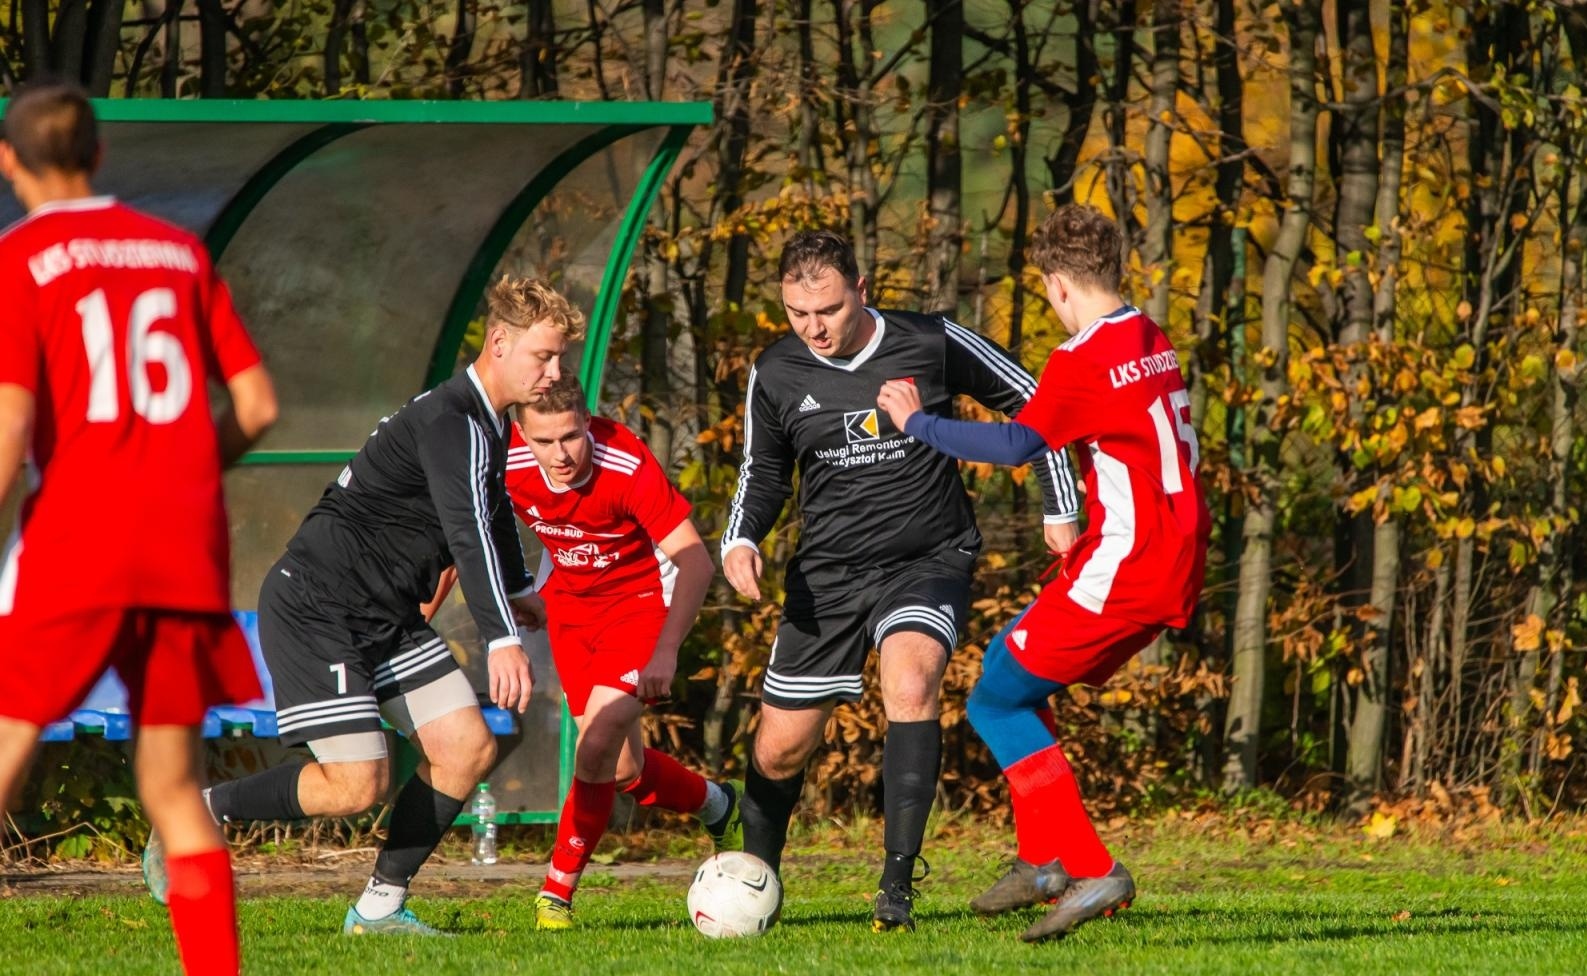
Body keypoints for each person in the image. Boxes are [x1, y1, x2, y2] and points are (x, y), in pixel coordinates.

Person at [143, 275, 581, 936]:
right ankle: (199, 810)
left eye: (559, 359)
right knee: (356, 784)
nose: (553, 372)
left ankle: (378, 910)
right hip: (320, 606)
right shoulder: (451, 422)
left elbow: (490, 514)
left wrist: (518, 589)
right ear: (498, 343)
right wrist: (500, 637)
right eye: (542, 357)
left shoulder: (484, 424)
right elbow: (467, 536)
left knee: (464, 747)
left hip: (386, 615)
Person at [0, 79, 278, 976]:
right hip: (182, 539)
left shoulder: (24, 258)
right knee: (172, 784)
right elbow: (256, 403)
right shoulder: (176, 252)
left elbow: (9, 431)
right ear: (100, 155)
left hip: (82, 533)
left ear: (11, 163)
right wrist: (190, 466)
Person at [722, 230, 1080, 931]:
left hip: (927, 558)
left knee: (911, 684)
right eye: (797, 312)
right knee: (779, 747)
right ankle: (754, 875)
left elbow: (1037, 401)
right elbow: (762, 472)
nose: (813, 327)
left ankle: (896, 891)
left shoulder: (931, 341)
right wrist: (740, 538)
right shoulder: (779, 370)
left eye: (826, 309)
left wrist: (1060, 504)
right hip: (826, 573)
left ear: (861, 289)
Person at [877, 202, 1210, 942]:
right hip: (1167, 554)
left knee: (994, 703)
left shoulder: (1082, 357)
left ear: (1057, 285)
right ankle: (1041, 862)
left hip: (1125, 567)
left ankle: (1090, 868)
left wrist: (916, 423)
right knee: (1010, 673)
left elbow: (1018, 445)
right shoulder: (1149, 334)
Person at [502, 378, 742, 930]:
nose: (560, 455)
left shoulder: (624, 464)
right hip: (569, 609)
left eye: (570, 437)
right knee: (624, 769)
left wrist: (666, 652)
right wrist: (514, 595)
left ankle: (556, 891)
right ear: (521, 433)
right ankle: (720, 805)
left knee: (594, 746)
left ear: (587, 421)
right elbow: (470, 531)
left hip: (638, 606)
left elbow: (697, 562)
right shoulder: (504, 458)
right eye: (544, 441)